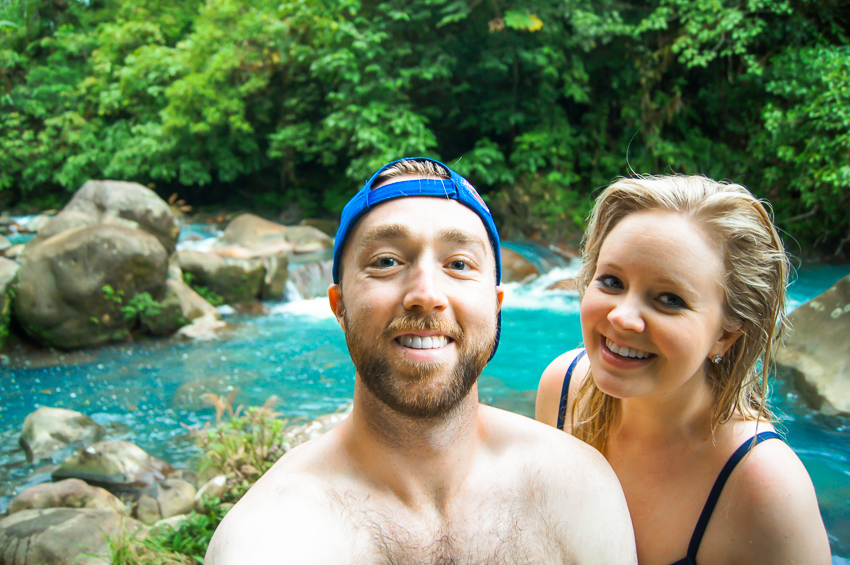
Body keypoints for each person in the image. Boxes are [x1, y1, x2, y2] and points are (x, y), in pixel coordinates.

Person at [206, 158, 637, 564]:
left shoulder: (577, 490)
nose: (427, 293)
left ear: (497, 304)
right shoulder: (275, 535)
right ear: (340, 306)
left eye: (459, 263)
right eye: (387, 261)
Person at [536, 175, 832, 565]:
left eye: (669, 300)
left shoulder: (764, 485)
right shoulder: (563, 390)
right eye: (611, 281)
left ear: (725, 335)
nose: (623, 317)